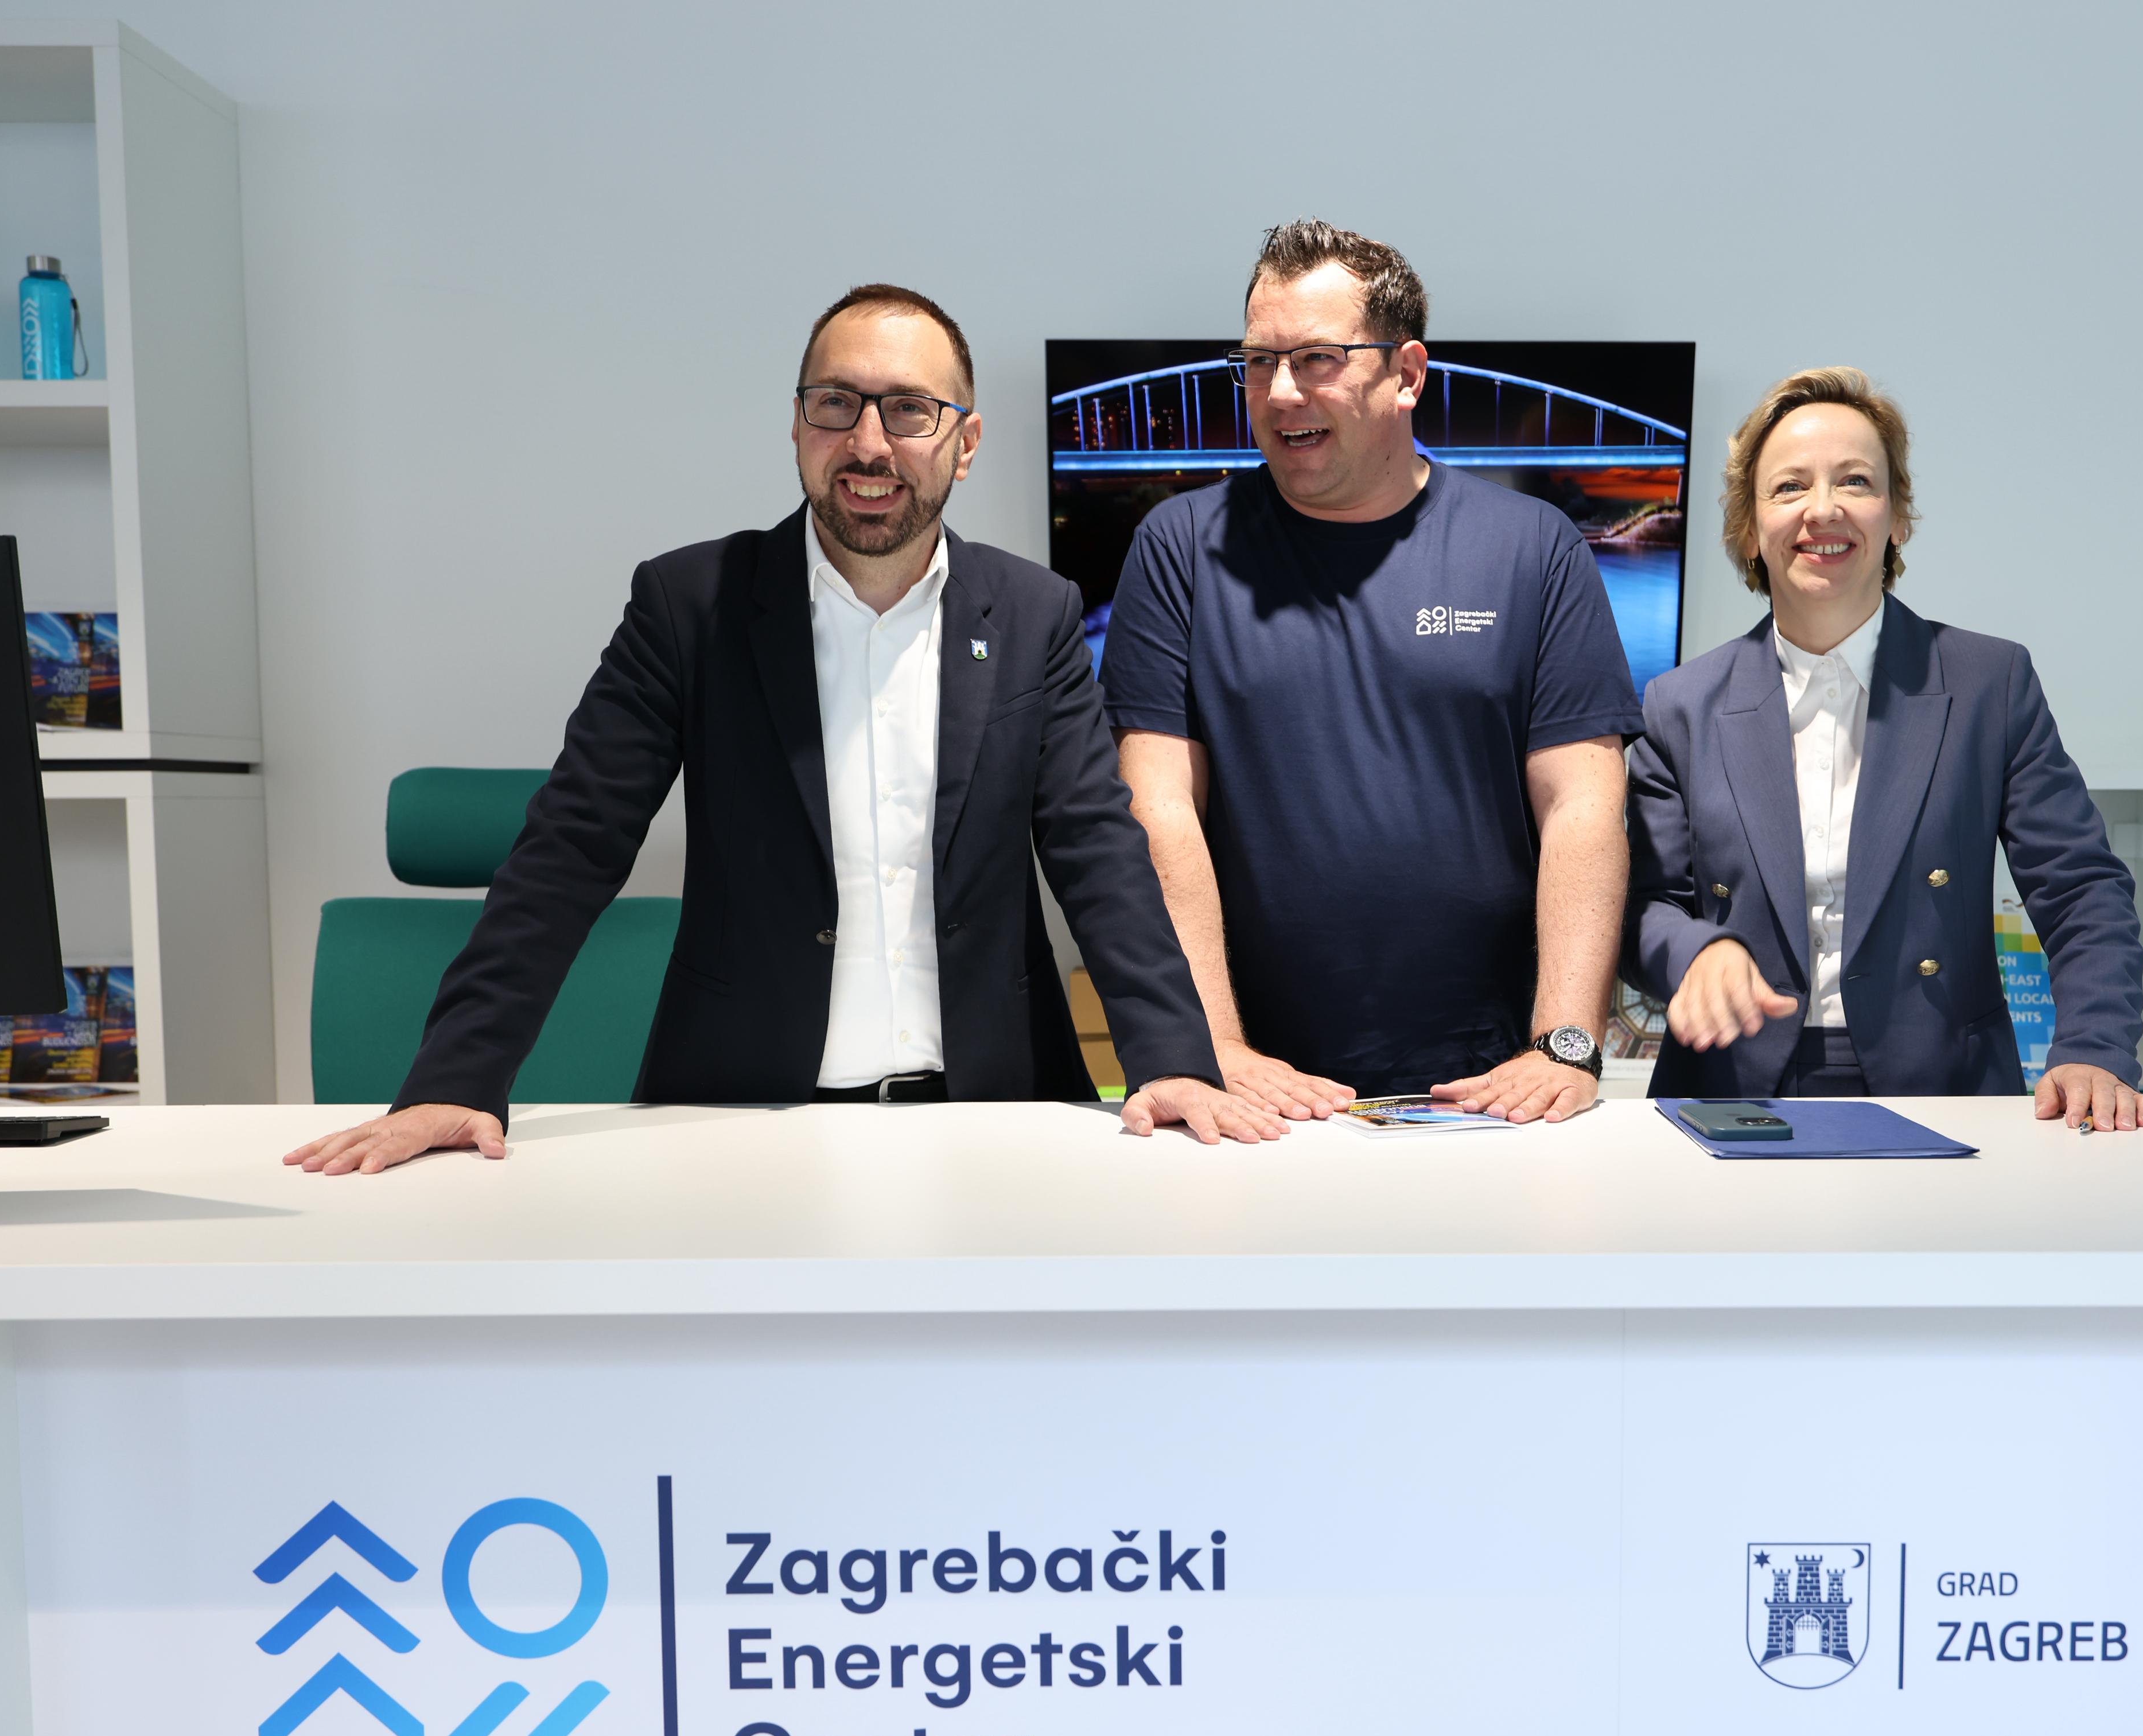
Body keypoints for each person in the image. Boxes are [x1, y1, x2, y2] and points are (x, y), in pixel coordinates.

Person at [288, 285, 1279, 1174]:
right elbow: (571, 845)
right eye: (836, 403)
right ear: (799, 423)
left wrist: (1171, 1059)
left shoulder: (1034, 613)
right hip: (737, 1121)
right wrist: (454, 1078)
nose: (869, 444)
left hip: (993, 1115)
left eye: (910, 410)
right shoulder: (690, 605)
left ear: (966, 443)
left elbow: (1096, 849)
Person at [1100, 220, 1641, 1124]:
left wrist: (1564, 1042)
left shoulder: (1533, 548)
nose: (1280, 392)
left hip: (1491, 1085)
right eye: (1258, 361)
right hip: (1255, 1088)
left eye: (1317, 358)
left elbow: (1582, 804)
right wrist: (1212, 1044)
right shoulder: (1180, 549)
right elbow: (1159, 807)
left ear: (1408, 374)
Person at [1623, 367, 2143, 1130]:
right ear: (1748, 527)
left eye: (1856, 481)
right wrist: (1695, 953)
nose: (1823, 509)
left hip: (1944, 1088)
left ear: (1898, 516)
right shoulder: (1680, 704)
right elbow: (1643, 905)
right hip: (1729, 1089)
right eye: (1790, 487)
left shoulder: (1989, 683)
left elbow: (2081, 889)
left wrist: (2095, 1048)